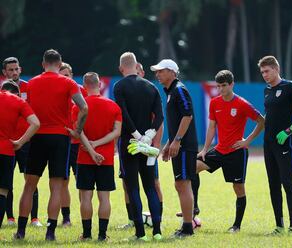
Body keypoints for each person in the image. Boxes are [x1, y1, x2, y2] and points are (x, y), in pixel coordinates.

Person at [14, 49, 88, 241]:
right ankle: (50, 233)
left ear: (43, 63)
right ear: (60, 62)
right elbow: (84, 107)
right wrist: (78, 130)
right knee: (56, 187)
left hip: (37, 137)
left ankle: (21, 231)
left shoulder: (32, 84)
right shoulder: (69, 82)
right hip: (60, 138)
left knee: (29, 185)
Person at [196, 70, 265, 233]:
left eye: (224, 85)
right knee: (193, 167)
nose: (220, 89)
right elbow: (212, 127)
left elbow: (261, 121)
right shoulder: (214, 103)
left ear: (232, 84)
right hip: (219, 150)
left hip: (236, 153)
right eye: (218, 86)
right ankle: (194, 209)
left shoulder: (242, 104)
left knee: (238, 188)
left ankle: (236, 226)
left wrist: (247, 141)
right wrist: (205, 149)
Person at [257, 55, 292, 235]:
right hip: (268, 144)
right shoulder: (267, 91)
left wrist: (291, 130)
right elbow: (269, 116)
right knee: (273, 184)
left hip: (284, 143)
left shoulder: (290, 87)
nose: (264, 75)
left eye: (267, 71)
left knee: (287, 183)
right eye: (262, 72)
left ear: (276, 69)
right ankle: (279, 226)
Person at [113, 52, 163, 241]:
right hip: (148, 145)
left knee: (133, 187)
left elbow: (123, 114)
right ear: (136, 66)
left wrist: (136, 136)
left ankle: (140, 233)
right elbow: (159, 116)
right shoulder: (151, 87)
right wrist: (148, 136)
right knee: (150, 186)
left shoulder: (119, 86)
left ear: (121, 68)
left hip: (129, 144)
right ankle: (157, 231)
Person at [70, 72, 122, 241]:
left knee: (86, 196)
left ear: (84, 87)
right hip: (105, 157)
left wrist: (91, 148)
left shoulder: (77, 107)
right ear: (99, 85)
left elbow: (79, 132)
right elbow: (117, 131)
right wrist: (98, 144)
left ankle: (86, 235)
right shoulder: (113, 106)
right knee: (104, 197)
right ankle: (102, 235)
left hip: (85, 157)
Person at [151, 59, 198, 237]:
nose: (158, 74)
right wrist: (169, 143)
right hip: (180, 145)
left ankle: (187, 227)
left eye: (161, 71)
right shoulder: (172, 91)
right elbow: (178, 120)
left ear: (172, 72)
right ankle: (187, 224)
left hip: (185, 146)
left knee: (183, 184)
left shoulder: (179, 89)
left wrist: (177, 141)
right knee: (180, 184)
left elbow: (187, 116)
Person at [1, 57, 42, 227]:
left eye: (16, 69)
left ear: (21, 69)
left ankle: (34, 218)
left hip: (26, 142)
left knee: (31, 179)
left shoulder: (29, 87)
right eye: (10, 70)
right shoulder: (2, 91)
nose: (14, 72)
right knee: (6, 181)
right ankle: (10, 217)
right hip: (7, 142)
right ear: (4, 72)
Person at [58, 62, 87, 227]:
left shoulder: (80, 91)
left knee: (81, 181)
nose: (64, 78)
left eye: (66, 75)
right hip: (61, 141)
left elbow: (88, 112)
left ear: (71, 76)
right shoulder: (54, 91)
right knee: (62, 181)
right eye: (61, 76)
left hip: (78, 142)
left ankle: (85, 218)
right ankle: (66, 218)